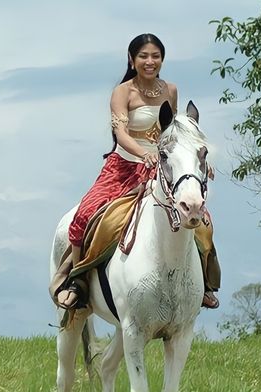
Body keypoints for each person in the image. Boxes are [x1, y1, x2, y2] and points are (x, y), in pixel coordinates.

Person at [53, 33, 221, 310]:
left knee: (201, 219)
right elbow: (120, 133)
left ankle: (202, 283)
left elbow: (175, 134)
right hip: (124, 167)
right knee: (85, 214)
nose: (150, 61)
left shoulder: (171, 90)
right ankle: (78, 281)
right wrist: (145, 153)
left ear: (162, 60)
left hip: (164, 169)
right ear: (132, 60)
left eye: (155, 56)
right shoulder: (123, 92)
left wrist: (195, 160)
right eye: (143, 56)